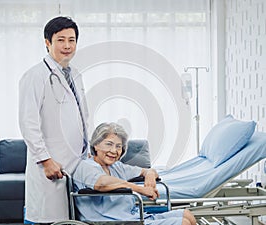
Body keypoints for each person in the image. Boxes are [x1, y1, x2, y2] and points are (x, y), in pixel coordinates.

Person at [18, 16, 88, 224]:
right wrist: (45, 160)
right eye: (60, 40)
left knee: (72, 219)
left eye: (72, 40)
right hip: (51, 165)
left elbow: (82, 116)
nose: (67, 46)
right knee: (49, 218)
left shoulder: (75, 73)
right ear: (47, 42)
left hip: (76, 162)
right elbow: (28, 123)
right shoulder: (35, 76)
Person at [72, 122, 196, 225]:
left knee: (187, 214)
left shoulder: (116, 167)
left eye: (118, 146)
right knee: (183, 223)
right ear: (96, 145)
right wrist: (140, 189)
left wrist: (150, 176)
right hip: (110, 221)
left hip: (132, 216)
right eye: (109, 144)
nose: (114, 151)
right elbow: (101, 183)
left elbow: (147, 170)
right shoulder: (86, 166)